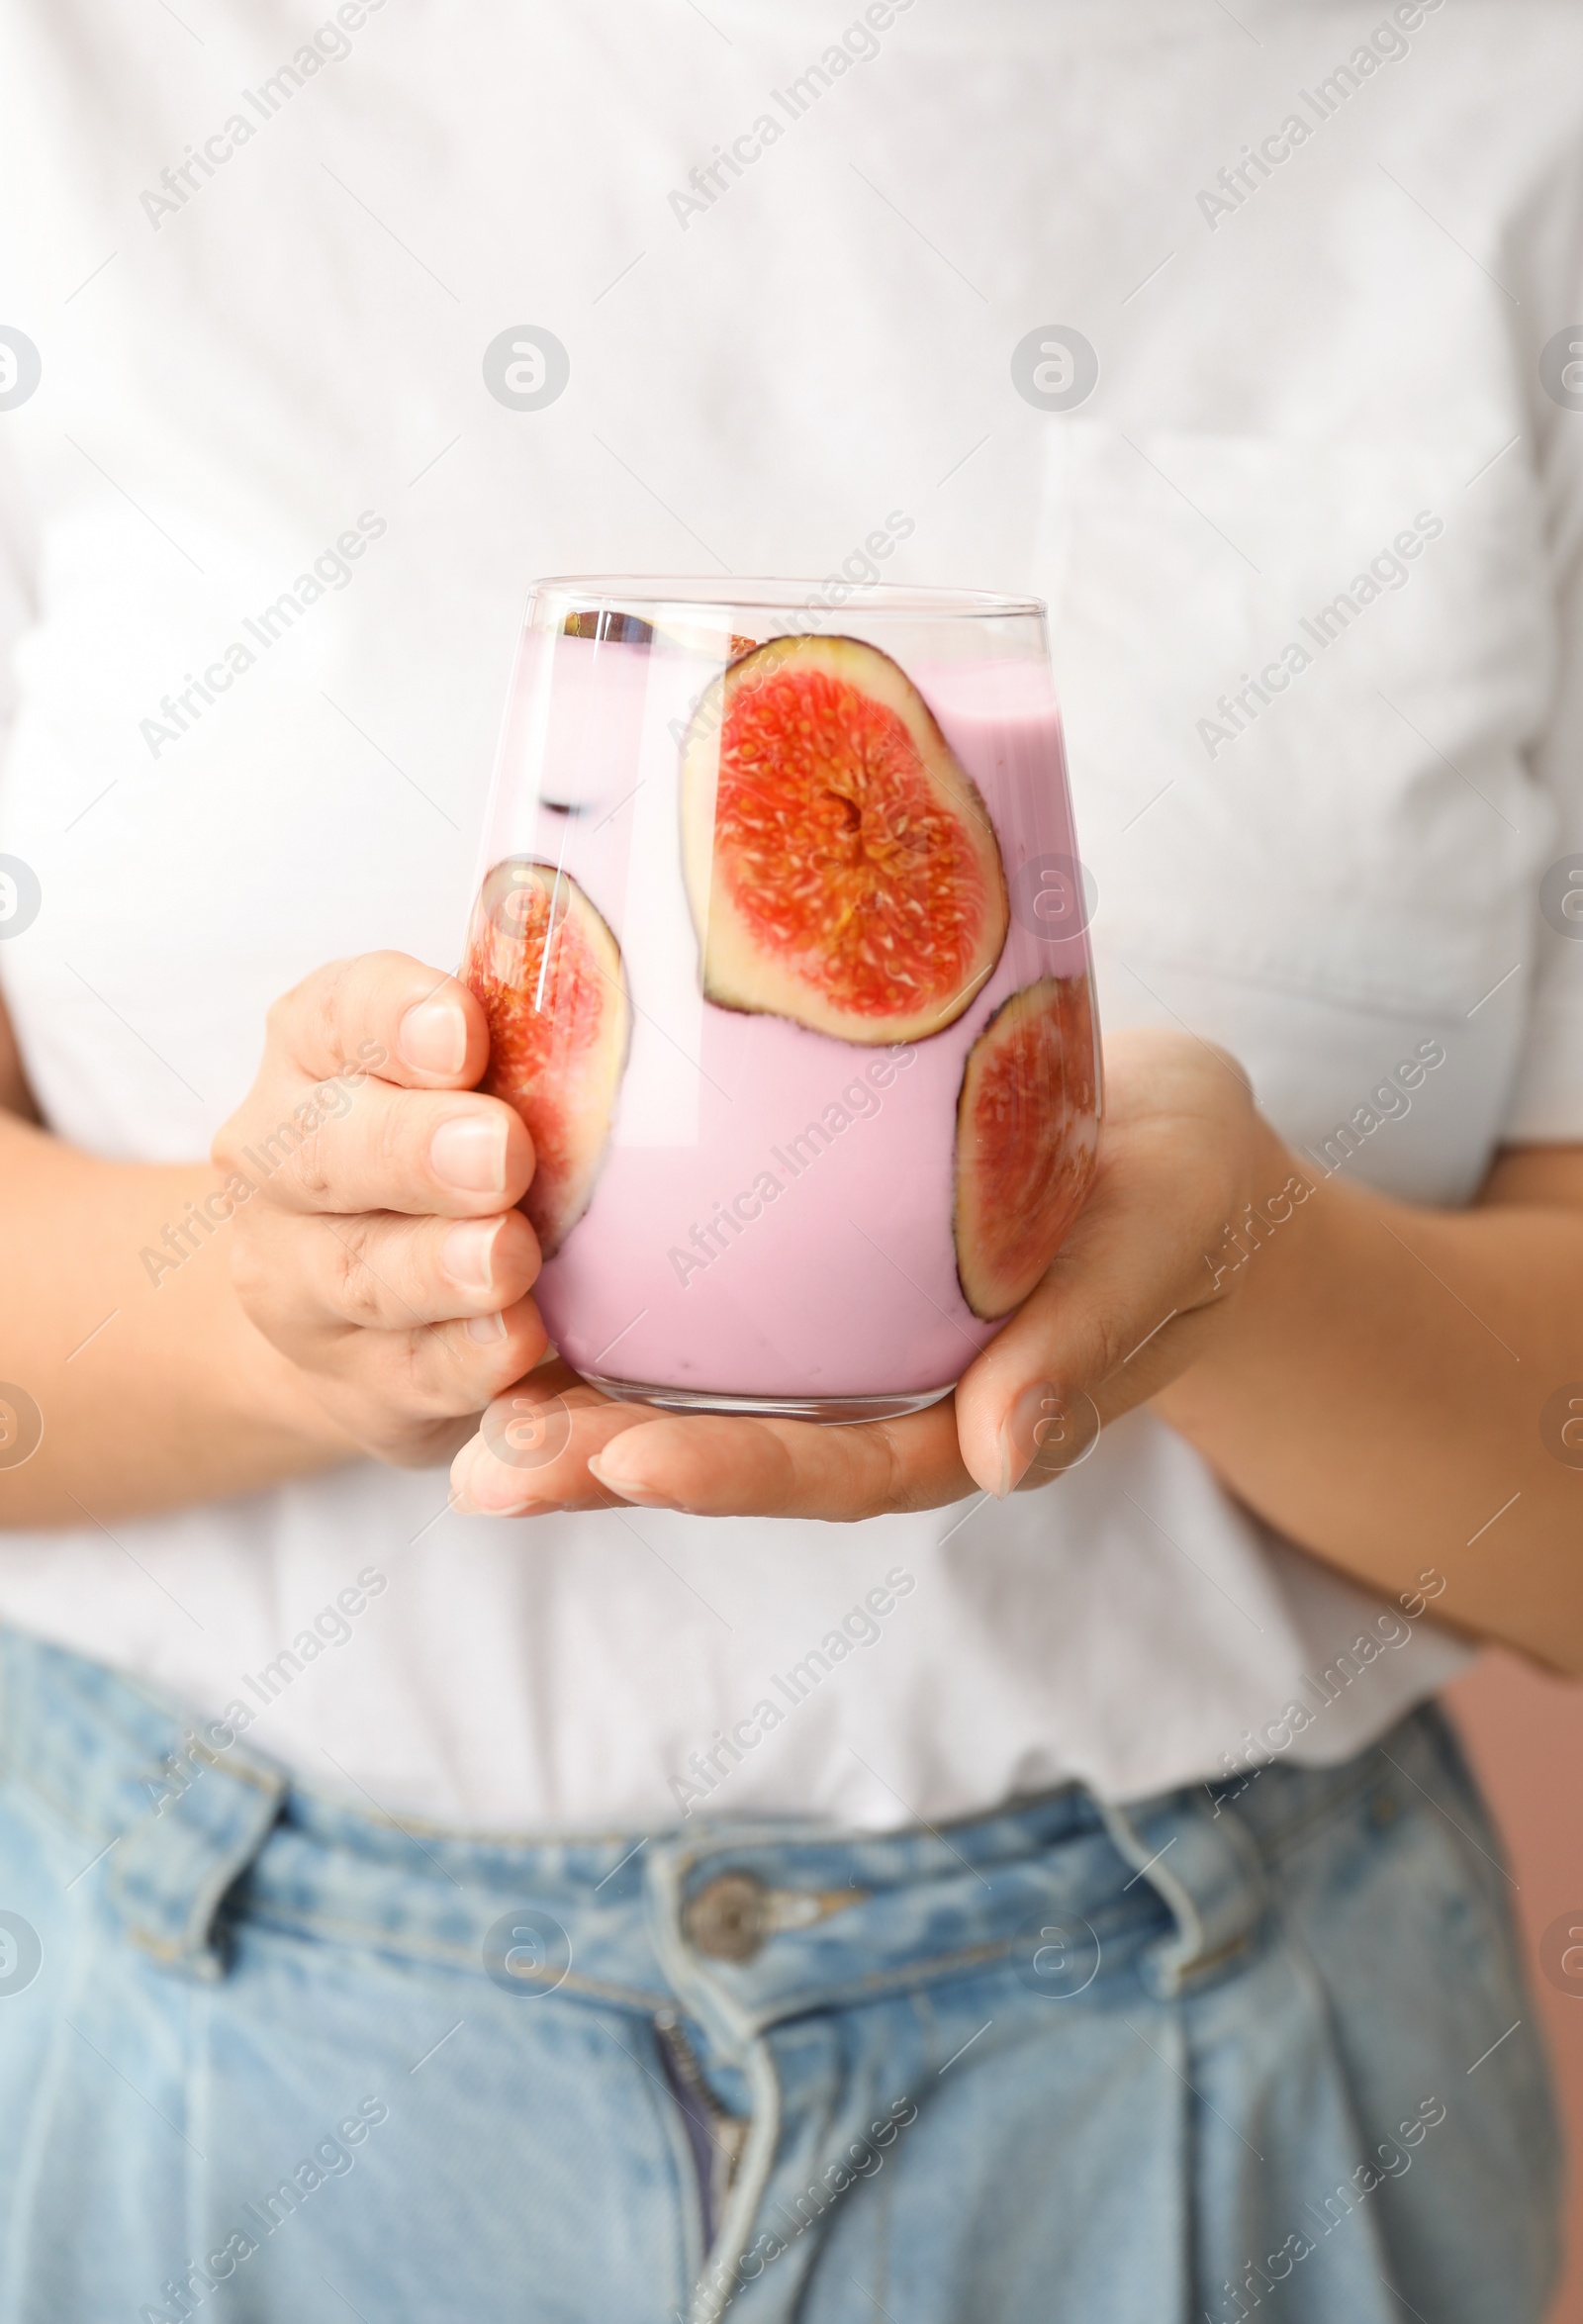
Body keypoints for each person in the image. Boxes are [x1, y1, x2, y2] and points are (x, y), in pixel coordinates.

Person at [0, 2, 1577, 2317]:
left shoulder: (1512, 85)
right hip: (204, 2055)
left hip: (1207, 2102)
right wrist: (275, 1311)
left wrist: (1246, 1275)